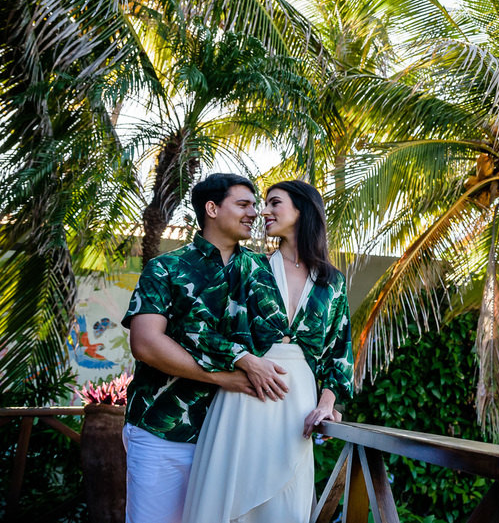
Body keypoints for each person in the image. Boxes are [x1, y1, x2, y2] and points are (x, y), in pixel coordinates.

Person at [181, 179, 354, 523]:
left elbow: (340, 352)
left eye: (275, 203)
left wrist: (326, 404)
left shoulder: (331, 281)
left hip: (298, 403)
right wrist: (242, 359)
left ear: (302, 209)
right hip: (245, 394)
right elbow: (197, 326)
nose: (263, 211)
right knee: (231, 500)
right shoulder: (247, 267)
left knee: (285, 505)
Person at [123, 173, 291, 523]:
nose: (254, 213)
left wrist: (326, 398)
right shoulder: (166, 268)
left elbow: (287, 339)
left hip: (235, 435)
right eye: (243, 204)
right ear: (211, 208)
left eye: (255, 206)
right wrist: (225, 377)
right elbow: (146, 343)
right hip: (163, 432)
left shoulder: (264, 272)